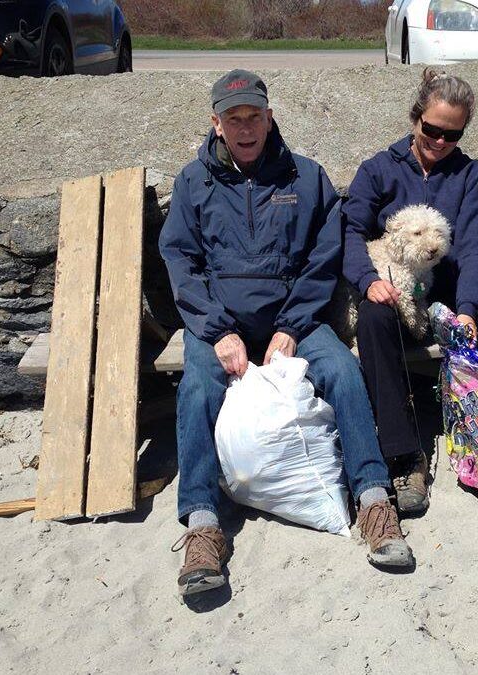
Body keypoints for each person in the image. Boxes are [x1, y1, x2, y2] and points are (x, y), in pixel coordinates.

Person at [159, 69, 414, 597]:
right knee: (196, 388)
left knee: (343, 370)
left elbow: (322, 260)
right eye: (235, 119)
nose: (246, 128)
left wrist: (292, 327)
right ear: (217, 123)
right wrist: (217, 330)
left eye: (255, 117)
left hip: (291, 320)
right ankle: (203, 526)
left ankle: (372, 500)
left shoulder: (305, 178)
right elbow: (180, 262)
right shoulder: (193, 183)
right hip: (219, 326)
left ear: (270, 117)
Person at [343, 68, 478, 517]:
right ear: (415, 119)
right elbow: (349, 229)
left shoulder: (473, 177)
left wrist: (467, 309)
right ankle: (405, 457)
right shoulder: (378, 170)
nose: (440, 141)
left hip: (451, 293)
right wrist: (369, 282)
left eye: (453, 133)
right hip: (394, 289)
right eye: (432, 129)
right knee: (373, 322)